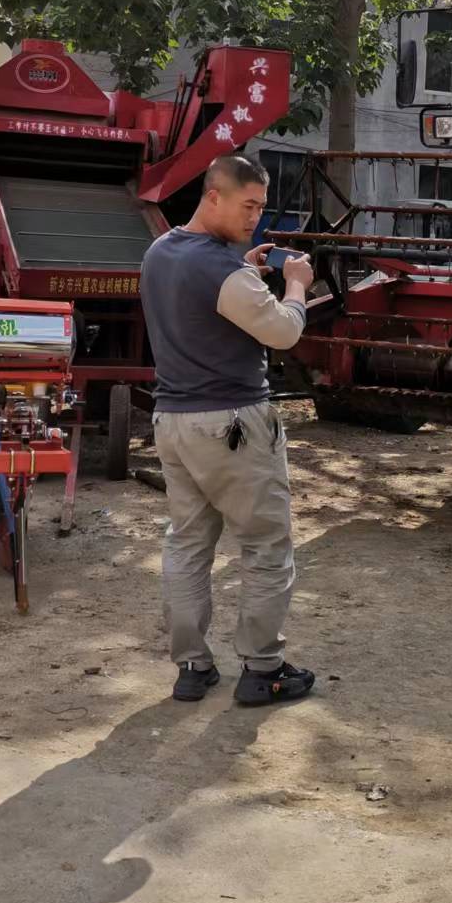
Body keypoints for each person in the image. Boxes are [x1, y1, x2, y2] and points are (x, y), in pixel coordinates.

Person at [139, 154, 317, 706]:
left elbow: (206, 300)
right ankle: (263, 669)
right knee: (265, 545)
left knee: (187, 544)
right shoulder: (223, 270)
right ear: (213, 195)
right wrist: (295, 286)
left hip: (173, 422)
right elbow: (283, 332)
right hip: (233, 422)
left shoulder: (160, 252)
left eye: (261, 208)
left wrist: (245, 268)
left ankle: (192, 667)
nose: (255, 218)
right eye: (248, 206)